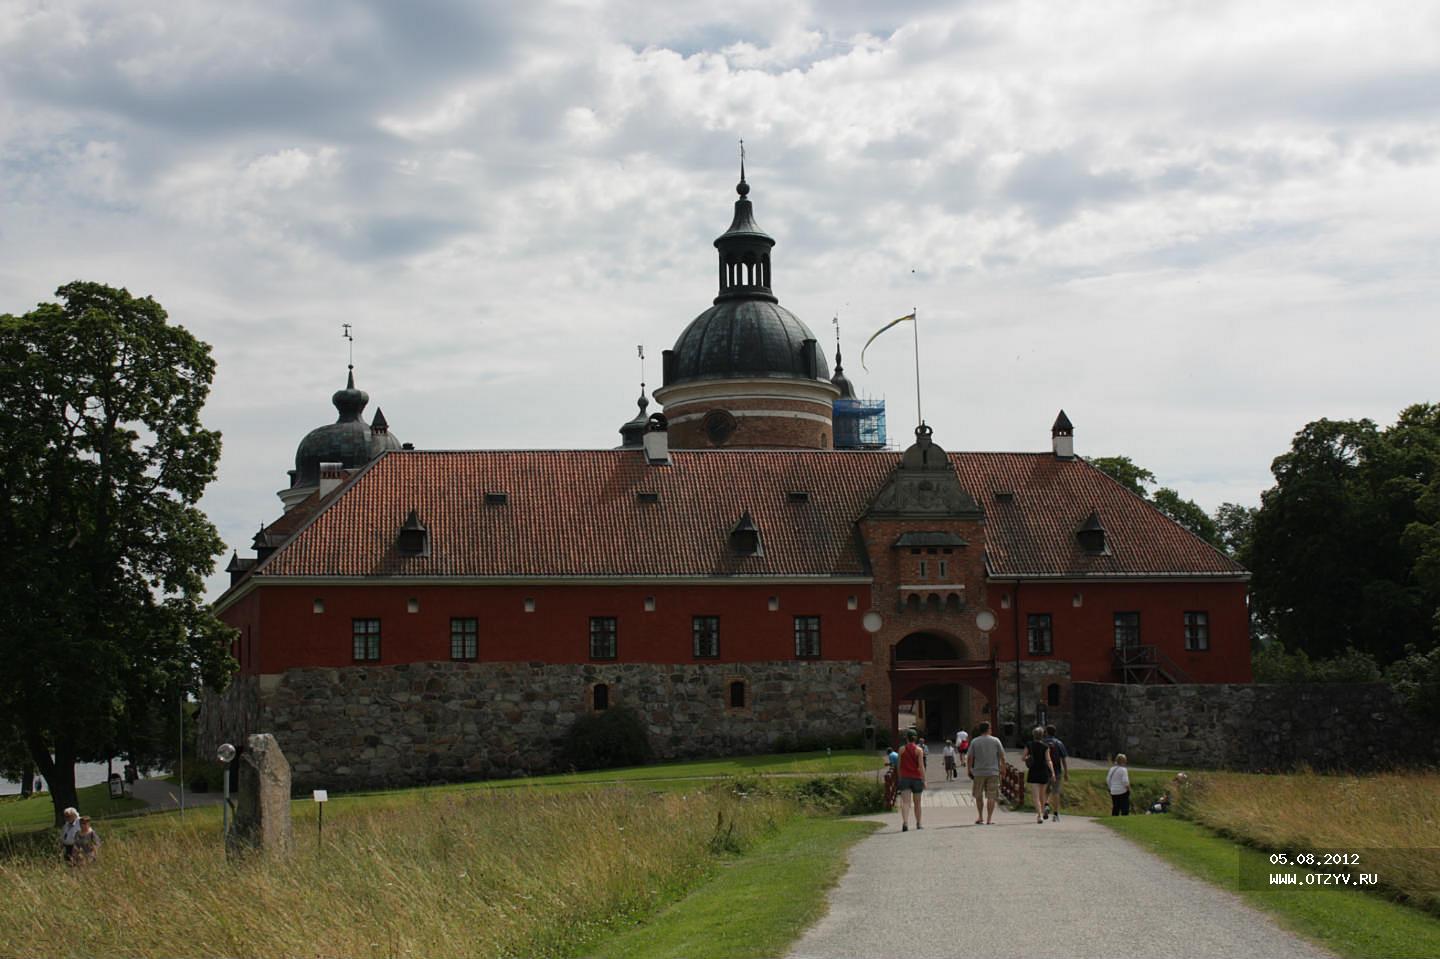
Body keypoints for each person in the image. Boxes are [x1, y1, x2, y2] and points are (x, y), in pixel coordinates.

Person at [966, 720, 1005, 825]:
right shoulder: (996, 740)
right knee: (991, 796)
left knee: (978, 795)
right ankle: (989, 819)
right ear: (988, 729)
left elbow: (970, 757)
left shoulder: (975, 741)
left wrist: (969, 769)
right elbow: (1002, 756)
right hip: (993, 771)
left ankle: (980, 817)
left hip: (978, 772)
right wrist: (1003, 768)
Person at [1022, 726, 1055, 823]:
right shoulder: (1045, 746)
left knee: (1035, 796)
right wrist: (1052, 772)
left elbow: (1023, 758)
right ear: (1042, 735)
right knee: (1042, 794)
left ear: (1033, 735)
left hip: (1033, 771)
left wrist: (1028, 757)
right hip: (1043, 771)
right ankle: (1045, 809)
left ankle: (1039, 816)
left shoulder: (1029, 745)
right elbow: (1049, 760)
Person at [896, 729, 925, 831]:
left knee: (905, 802)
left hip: (905, 777)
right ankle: (919, 823)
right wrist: (924, 780)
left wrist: (900, 777)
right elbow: (921, 766)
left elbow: (898, 765)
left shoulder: (901, 749)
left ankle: (905, 822)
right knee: (917, 803)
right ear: (915, 738)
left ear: (906, 738)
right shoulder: (919, 750)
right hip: (916, 778)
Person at [1042, 723, 1070, 821]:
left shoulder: (1043, 742)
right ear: (1055, 732)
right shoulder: (1058, 743)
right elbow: (1063, 759)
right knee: (1056, 792)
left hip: (1045, 771)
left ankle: (1045, 805)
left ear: (1046, 732)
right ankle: (1056, 814)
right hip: (1057, 771)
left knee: (1045, 791)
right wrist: (1066, 772)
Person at [883, 745, 900, 809]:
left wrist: (887, 765)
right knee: (897, 779)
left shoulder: (890, 755)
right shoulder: (895, 753)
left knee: (896, 779)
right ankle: (898, 788)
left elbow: (892, 765)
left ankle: (899, 789)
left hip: (899, 767)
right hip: (901, 765)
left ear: (888, 752)